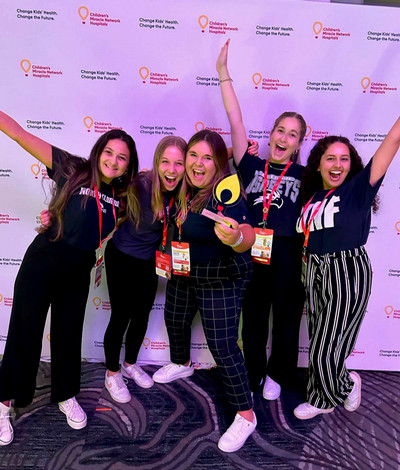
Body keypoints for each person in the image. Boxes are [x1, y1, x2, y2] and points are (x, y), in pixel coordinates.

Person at [0, 110, 138, 446]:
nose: (114, 161)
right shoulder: (71, 167)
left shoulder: (122, 196)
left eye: (122, 158)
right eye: (109, 152)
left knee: (67, 333)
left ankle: (65, 394)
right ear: (98, 151)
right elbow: (18, 133)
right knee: (25, 331)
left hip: (78, 270)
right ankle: (3, 403)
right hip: (44, 260)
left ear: (127, 165)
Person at [152, 129, 256, 453]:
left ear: (219, 163)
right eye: (192, 156)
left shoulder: (227, 192)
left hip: (220, 278)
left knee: (223, 346)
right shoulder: (185, 189)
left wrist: (236, 237)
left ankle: (246, 414)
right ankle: (182, 363)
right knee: (174, 317)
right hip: (186, 271)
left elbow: (247, 232)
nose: (198, 163)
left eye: (207, 158)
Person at [216, 39, 306, 400]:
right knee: (252, 322)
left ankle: (277, 374)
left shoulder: (305, 176)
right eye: (280, 131)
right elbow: (235, 120)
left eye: (292, 134)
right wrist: (224, 74)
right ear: (270, 135)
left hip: (287, 254)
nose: (284, 138)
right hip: (251, 251)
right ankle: (253, 373)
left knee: (286, 322)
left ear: (299, 143)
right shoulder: (251, 163)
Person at [294, 117, 400, 420]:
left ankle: (343, 385)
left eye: (344, 158)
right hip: (313, 269)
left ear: (351, 164)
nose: (337, 164)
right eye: (330, 158)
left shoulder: (357, 190)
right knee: (320, 339)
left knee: (324, 348)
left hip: (346, 271)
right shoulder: (312, 197)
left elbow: (391, 142)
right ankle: (321, 396)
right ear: (318, 165)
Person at [103, 136, 187, 403]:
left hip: (150, 262)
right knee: (120, 316)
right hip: (122, 257)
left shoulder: (182, 191)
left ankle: (129, 363)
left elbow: (205, 158)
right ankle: (112, 373)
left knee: (141, 316)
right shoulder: (141, 183)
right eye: (165, 162)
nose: (171, 170)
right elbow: (102, 185)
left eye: (179, 163)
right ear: (156, 163)